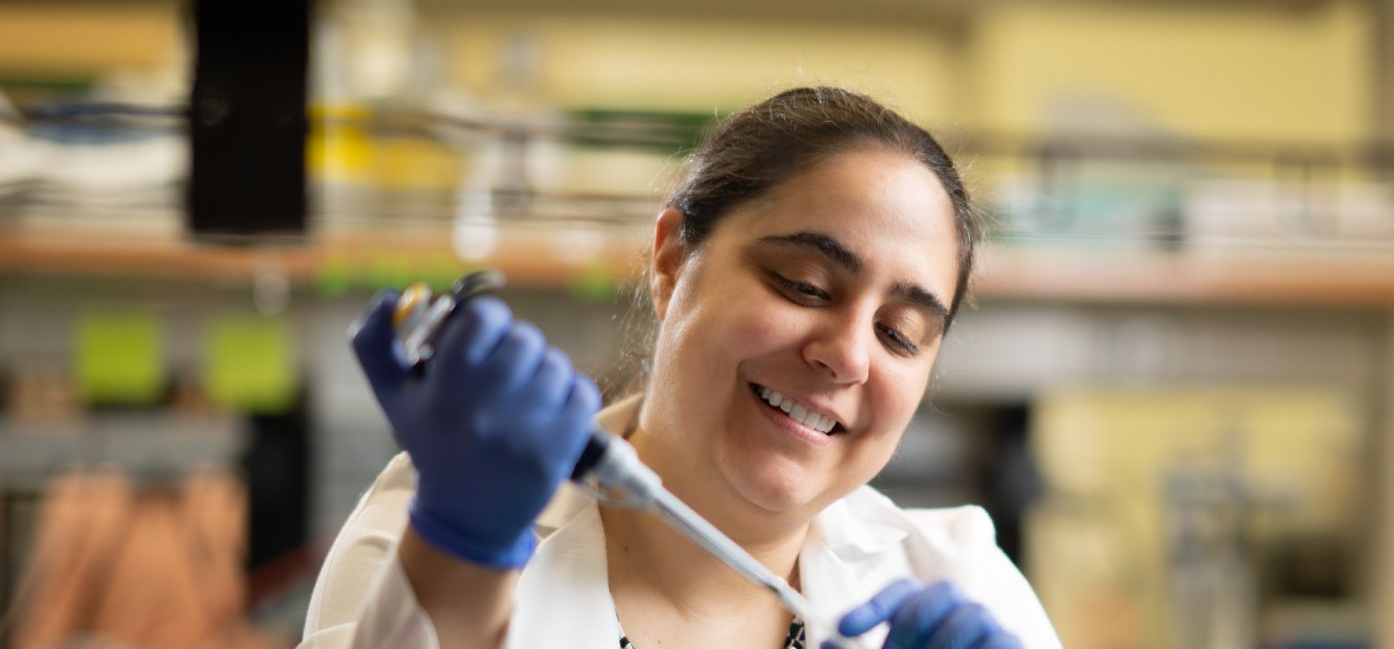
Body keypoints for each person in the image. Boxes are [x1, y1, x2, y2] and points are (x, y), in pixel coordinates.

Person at [300, 87, 1060, 649]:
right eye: (804, 286)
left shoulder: (958, 581)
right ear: (670, 260)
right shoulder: (434, 532)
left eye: (899, 333)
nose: (848, 355)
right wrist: (454, 570)